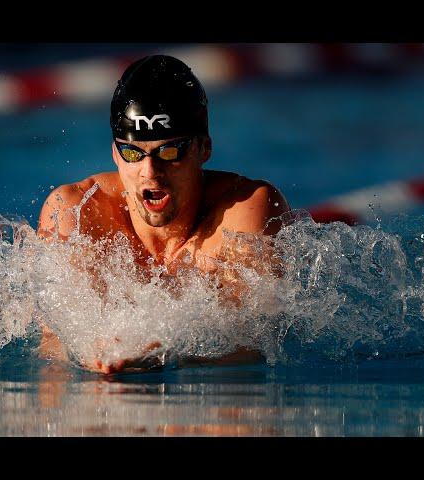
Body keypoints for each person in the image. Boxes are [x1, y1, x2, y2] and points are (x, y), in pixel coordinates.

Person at [30, 55, 290, 374]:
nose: (150, 172)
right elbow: (52, 344)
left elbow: (254, 344)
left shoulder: (247, 210)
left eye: (169, 152)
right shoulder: (75, 212)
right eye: (132, 153)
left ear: (203, 148)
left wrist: (169, 358)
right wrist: (90, 358)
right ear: (115, 152)